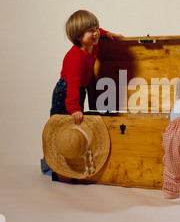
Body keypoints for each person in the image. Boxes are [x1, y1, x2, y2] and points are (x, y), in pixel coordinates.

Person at [41, 10, 123, 174]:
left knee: (72, 127)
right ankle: (50, 163)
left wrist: (107, 33)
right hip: (65, 92)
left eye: (97, 29)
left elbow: (98, 33)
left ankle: (68, 158)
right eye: (91, 31)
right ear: (78, 36)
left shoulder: (93, 44)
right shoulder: (75, 57)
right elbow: (72, 84)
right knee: (59, 126)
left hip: (80, 90)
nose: (96, 34)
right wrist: (74, 107)